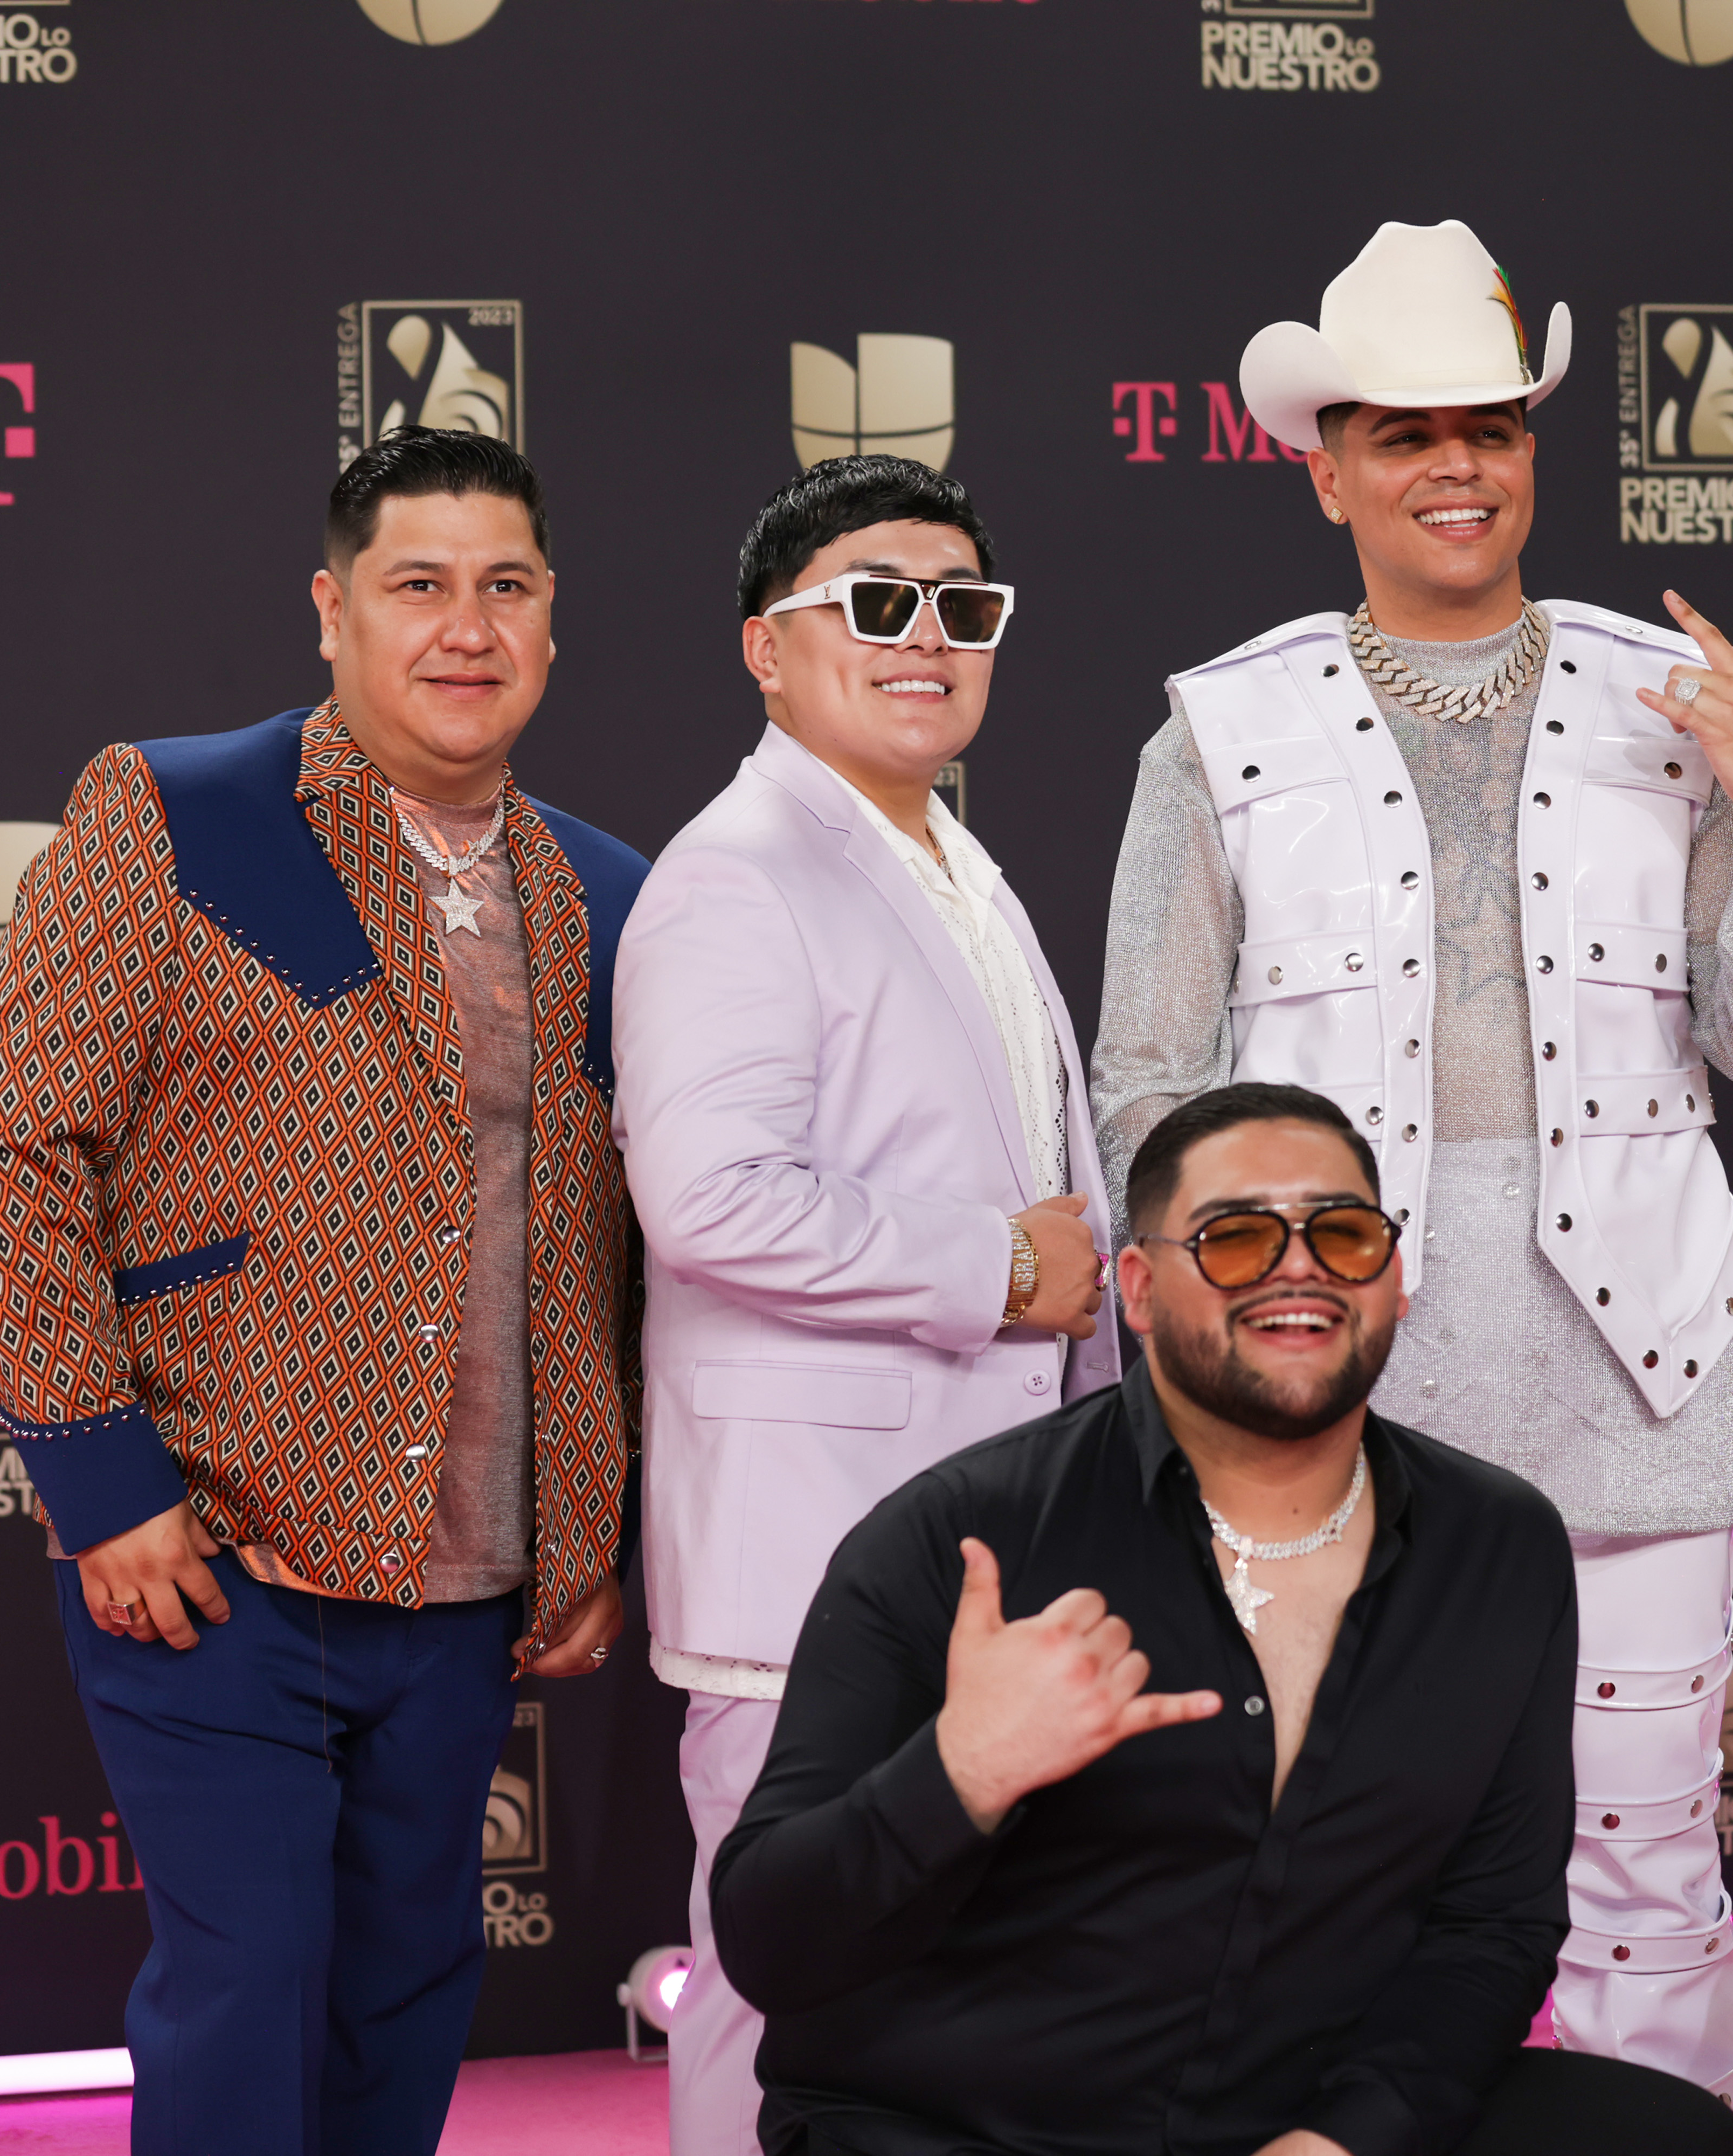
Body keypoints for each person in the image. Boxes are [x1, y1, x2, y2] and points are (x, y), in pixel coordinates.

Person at [1087, 218, 1733, 2152]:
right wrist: (1236, 1334)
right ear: (1325, 461)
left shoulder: (1666, 701)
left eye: (1494, 429)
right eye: (1408, 432)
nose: (1458, 467)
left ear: (1536, 451)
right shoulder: (1222, 731)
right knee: (1327, 1882)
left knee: (1651, 1875)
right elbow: (1147, 1098)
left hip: (1640, 1374)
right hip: (1330, 1396)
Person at [0, 427, 647, 2156]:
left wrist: (584, 1536)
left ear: (553, 623)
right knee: (245, 1987)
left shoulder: (615, 894)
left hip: (472, 1584)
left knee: (407, 1991)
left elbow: (610, 1246)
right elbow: (11, 1150)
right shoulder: (181, 813)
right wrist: (106, 1493)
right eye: (419, 586)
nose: (463, 627)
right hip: (211, 1558)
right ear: (334, 613)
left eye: (507, 588)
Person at [707, 1083, 1733, 2156]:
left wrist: (1344, 2139)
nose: (1297, 1265)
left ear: (1392, 1276)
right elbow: (768, 1943)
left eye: (1343, 1232)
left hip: (1292, 2112)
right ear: (1142, 1287)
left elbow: (1493, 1926)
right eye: (1237, 1236)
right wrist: (960, 1771)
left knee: (1669, 2142)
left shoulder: (1497, 1544)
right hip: (968, 2127)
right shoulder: (967, 1534)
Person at [613, 453, 1121, 2156]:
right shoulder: (737, 870)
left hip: (983, 1528)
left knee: (938, 1977)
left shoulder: (948, 860)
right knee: (779, 1972)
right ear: (768, 647)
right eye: (877, 605)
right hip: (811, 1549)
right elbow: (706, 1200)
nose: (928, 640)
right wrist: (1000, 1263)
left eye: (963, 610)